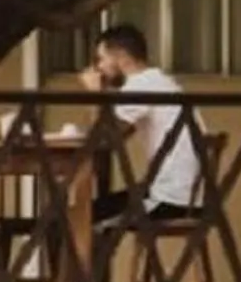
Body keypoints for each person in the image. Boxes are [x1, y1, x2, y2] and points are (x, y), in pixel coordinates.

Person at [81, 24, 205, 229]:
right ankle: (93, 260)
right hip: (190, 197)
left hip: (169, 199)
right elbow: (115, 135)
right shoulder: (159, 81)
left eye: (101, 59)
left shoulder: (140, 86)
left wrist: (96, 96)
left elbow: (106, 141)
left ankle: (85, 261)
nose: (99, 68)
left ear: (120, 56)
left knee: (79, 218)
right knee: (90, 213)